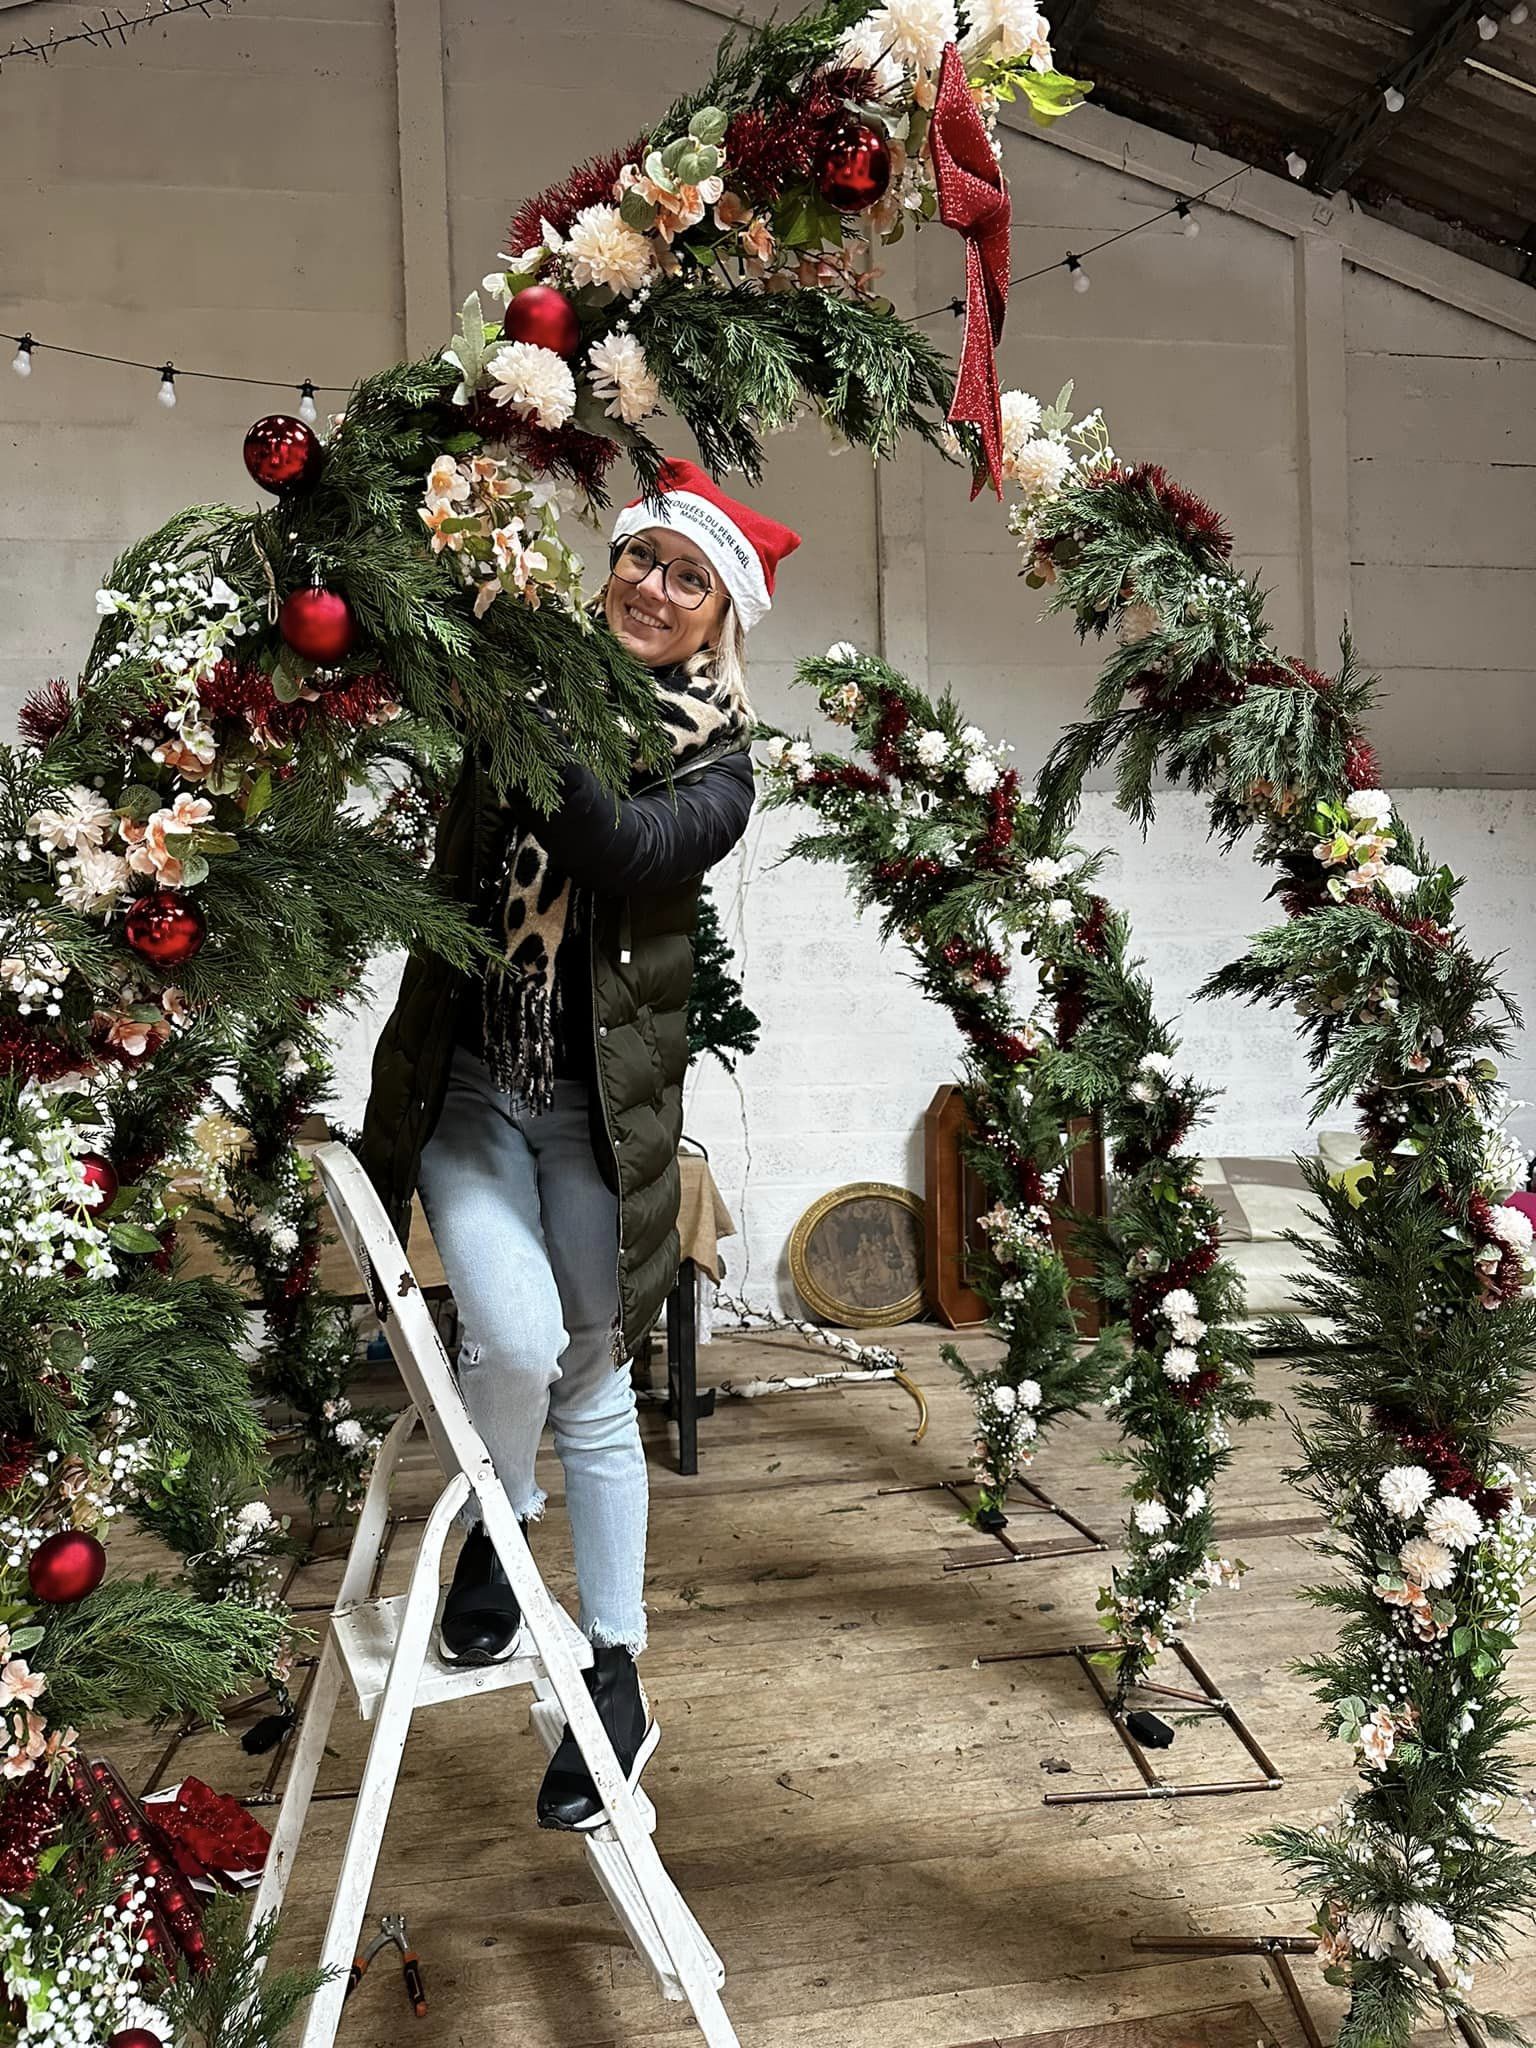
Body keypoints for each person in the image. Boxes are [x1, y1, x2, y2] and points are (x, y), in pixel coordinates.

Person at [360, 459, 799, 1830]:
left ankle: (616, 1670)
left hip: (597, 1129)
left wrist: (525, 709)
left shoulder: (719, 765)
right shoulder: (524, 674)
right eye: (641, 560)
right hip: (473, 1097)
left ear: (721, 611)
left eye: (688, 577)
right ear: (609, 565)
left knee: (595, 1382)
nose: (653, 590)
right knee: (514, 1341)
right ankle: (496, 1528)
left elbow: (619, 844)